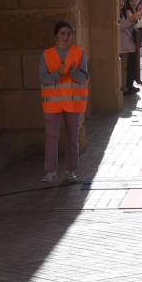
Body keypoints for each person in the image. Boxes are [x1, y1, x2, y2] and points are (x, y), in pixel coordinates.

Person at [38, 21, 88, 184]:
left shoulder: (79, 53)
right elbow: (44, 79)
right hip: (52, 104)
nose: (66, 37)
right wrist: (58, 74)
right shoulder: (46, 54)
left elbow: (82, 78)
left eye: (69, 33)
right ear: (56, 36)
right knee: (51, 138)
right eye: (62, 33)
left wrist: (73, 72)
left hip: (73, 104)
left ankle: (70, 171)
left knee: (72, 138)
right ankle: (51, 172)